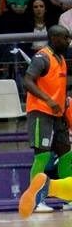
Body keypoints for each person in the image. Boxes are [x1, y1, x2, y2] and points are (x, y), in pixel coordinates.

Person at [20, 25, 72, 215]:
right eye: (65, 38)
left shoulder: (61, 59)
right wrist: (49, 100)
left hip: (58, 115)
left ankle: (68, 198)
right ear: (54, 38)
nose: (68, 41)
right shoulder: (42, 57)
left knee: (67, 154)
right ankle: (36, 200)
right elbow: (27, 81)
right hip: (41, 112)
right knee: (42, 155)